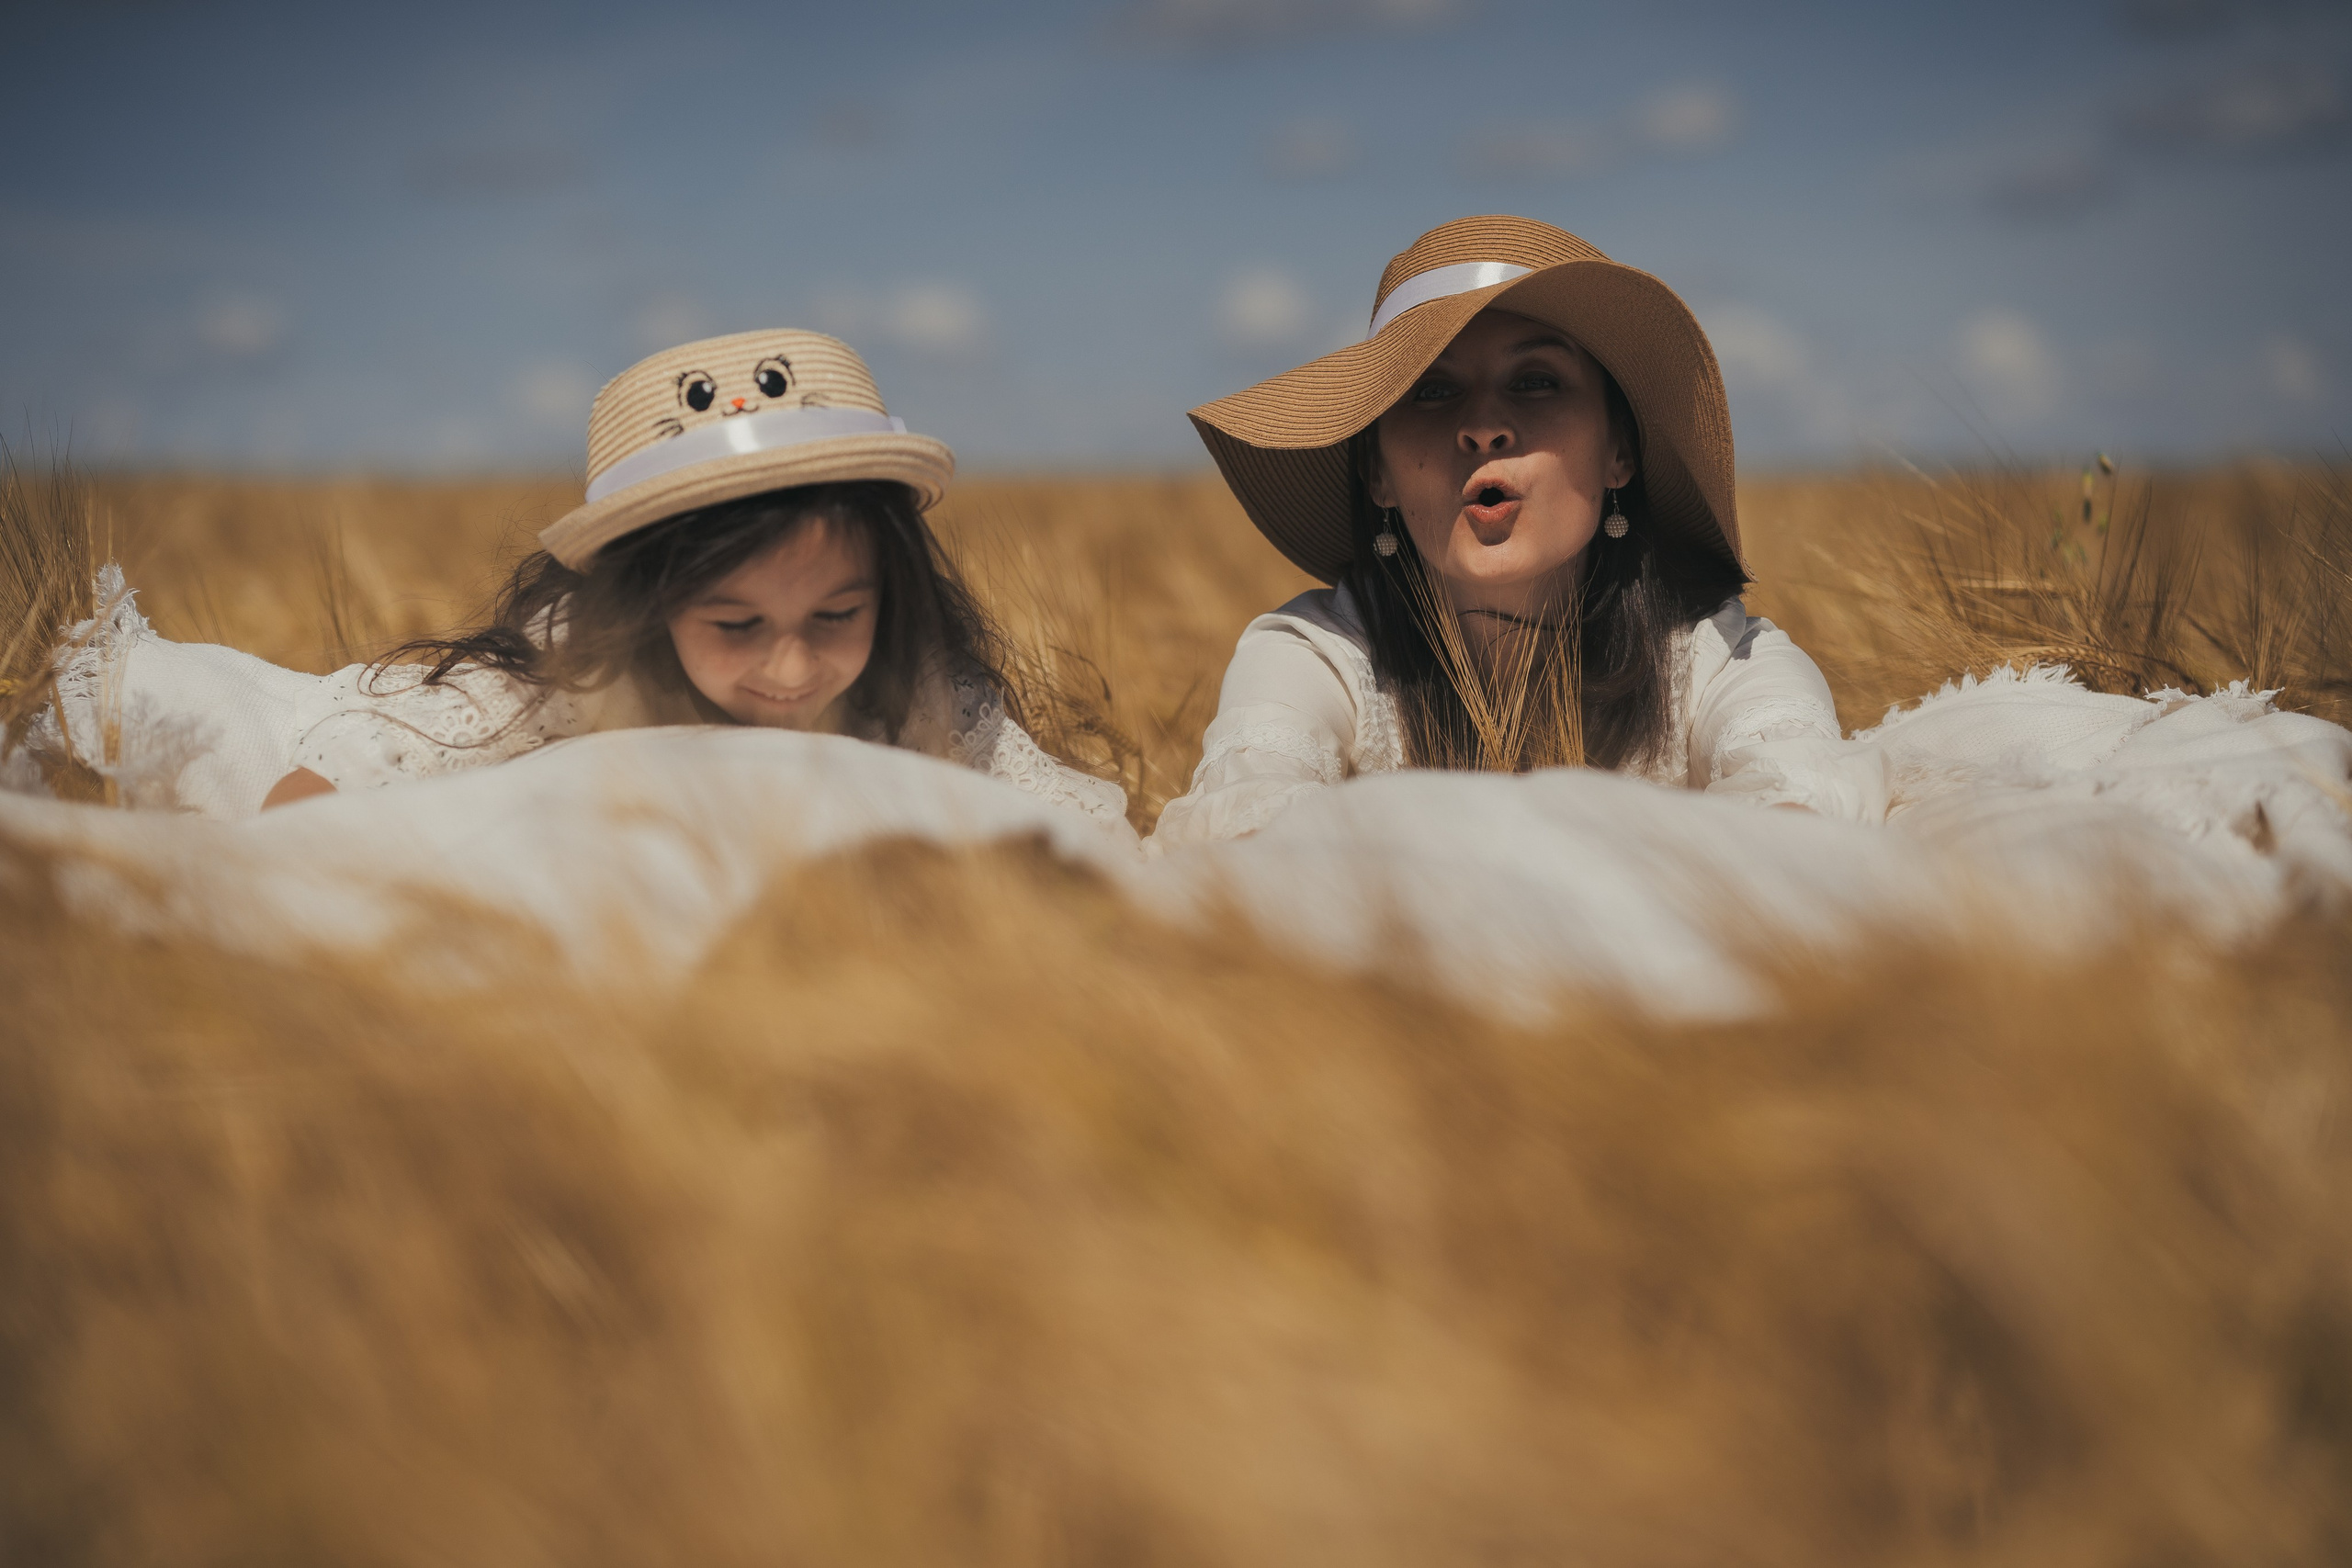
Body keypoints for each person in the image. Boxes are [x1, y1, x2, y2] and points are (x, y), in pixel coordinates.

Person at [49, 331, 1127, 827]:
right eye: (737, 623)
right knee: (142, 727)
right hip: (331, 742)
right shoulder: (564, 673)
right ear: (647, 604)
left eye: (836, 613)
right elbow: (319, 802)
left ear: (891, 593)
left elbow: (1079, 841)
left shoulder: (924, 692)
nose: (793, 664)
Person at [1152, 216, 1883, 849]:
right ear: (1377, 473)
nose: (1482, 427)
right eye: (1432, 391)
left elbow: (1802, 820)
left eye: (1536, 381)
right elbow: (1246, 834)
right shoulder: (1316, 655)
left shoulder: (1723, 660)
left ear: (1620, 452)